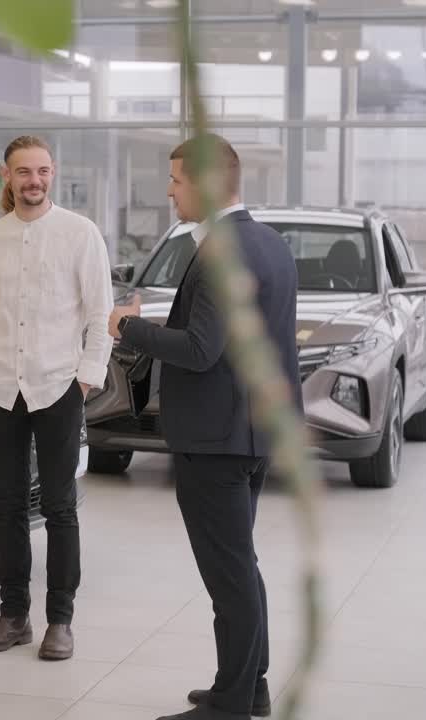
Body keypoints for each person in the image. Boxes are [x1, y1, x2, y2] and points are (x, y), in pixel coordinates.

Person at [109, 134, 300, 720]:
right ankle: (247, 685)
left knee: (230, 573)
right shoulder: (268, 242)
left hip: (217, 439)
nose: (170, 192)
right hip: (253, 431)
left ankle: (232, 703)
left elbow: (199, 349)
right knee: (240, 563)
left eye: (177, 180)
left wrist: (129, 327)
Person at [0, 135, 114, 661]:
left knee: (59, 506)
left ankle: (60, 621)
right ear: (7, 175)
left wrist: (86, 378)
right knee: (7, 506)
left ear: (53, 173)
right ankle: (13, 616)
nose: (34, 180)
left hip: (58, 387)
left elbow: (100, 314)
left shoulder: (80, 233)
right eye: (24, 171)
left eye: (43, 171)